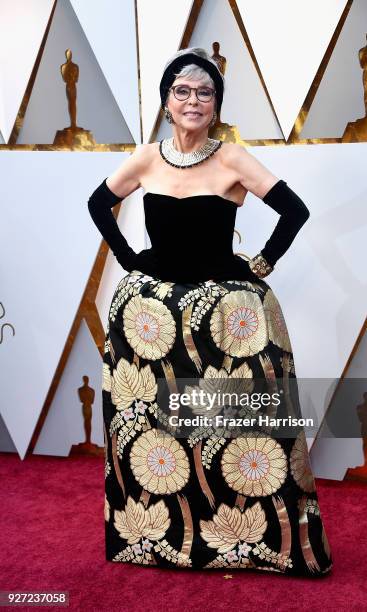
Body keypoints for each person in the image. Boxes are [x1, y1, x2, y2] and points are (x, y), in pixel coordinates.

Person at [88, 47, 333, 577]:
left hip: (223, 315)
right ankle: (157, 538)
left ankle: (250, 541)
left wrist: (261, 263)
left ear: (216, 105)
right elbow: (97, 204)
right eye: (182, 91)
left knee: (239, 428)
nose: (193, 100)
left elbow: (295, 210)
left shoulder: (232, 157)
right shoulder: (147, 157)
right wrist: (132, 261)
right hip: (150, 319)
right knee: (152, 427)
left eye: (205, 93)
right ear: (166, 101)